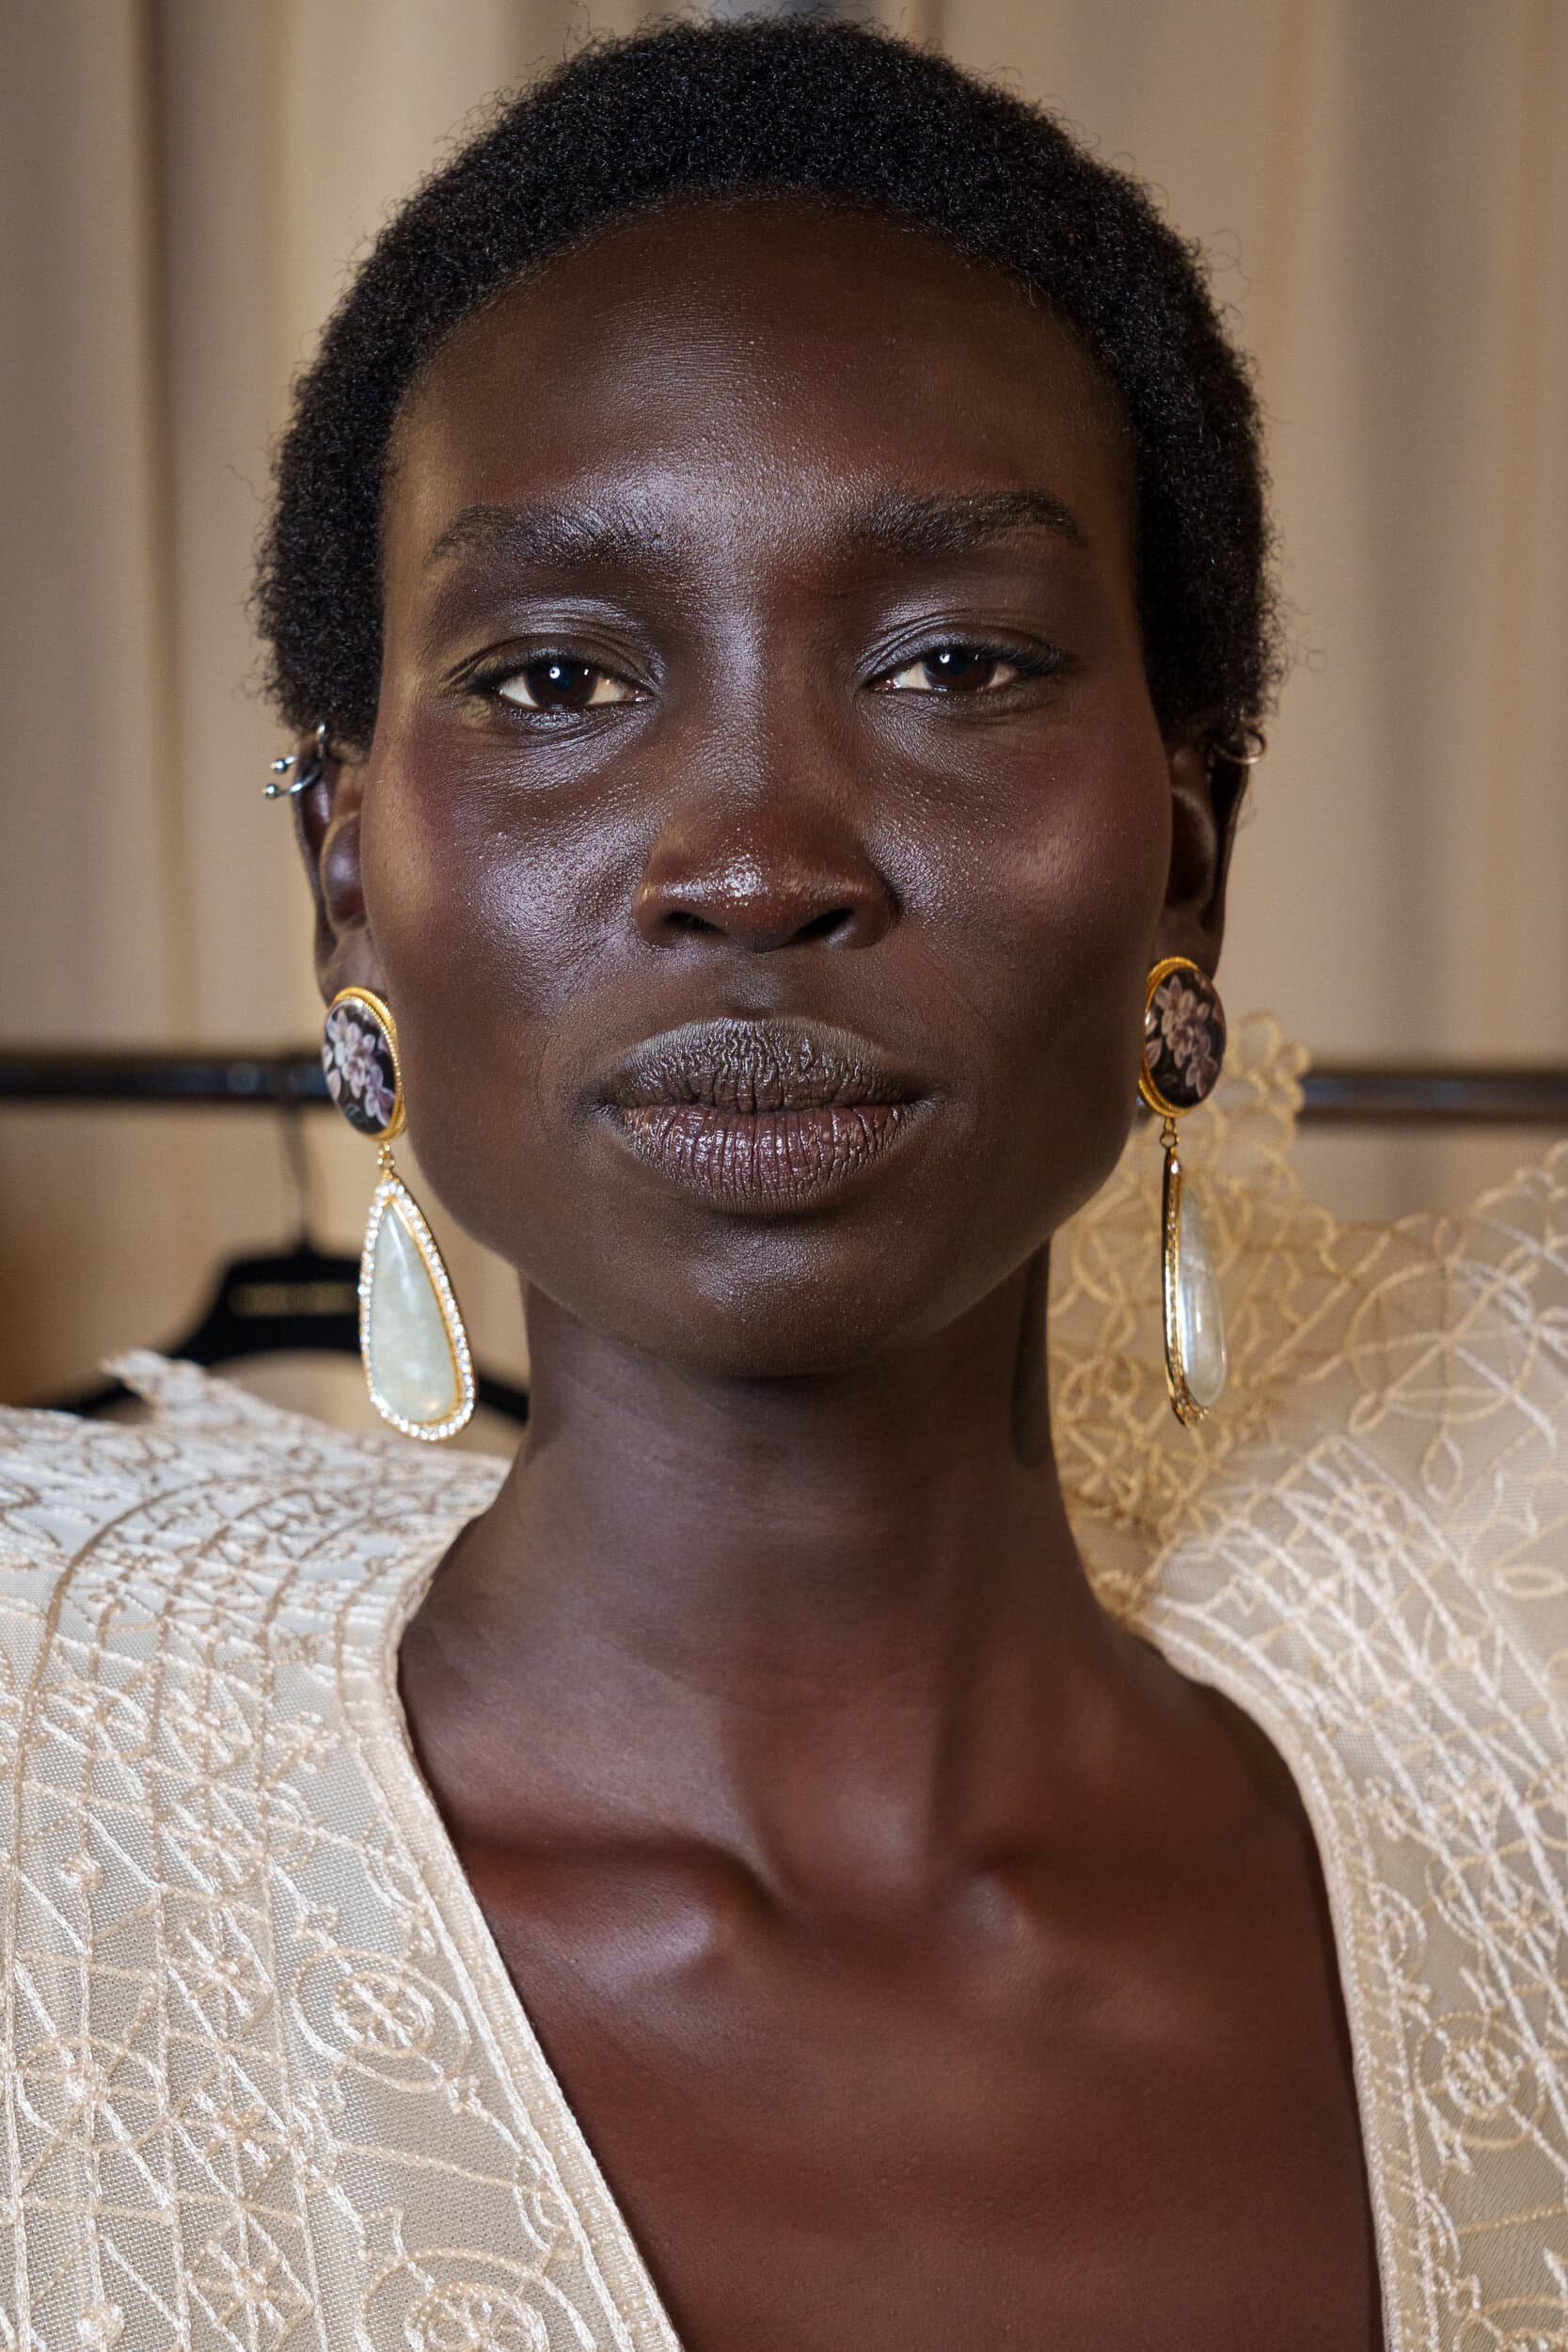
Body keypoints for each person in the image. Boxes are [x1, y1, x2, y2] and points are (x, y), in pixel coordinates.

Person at [2, 19, 1563, 2348]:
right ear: (350, 882)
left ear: (1187, 863)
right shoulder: (47, 1884)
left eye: (955, 661)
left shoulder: (1517, 1841)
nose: (752, 861)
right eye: (555, 681)